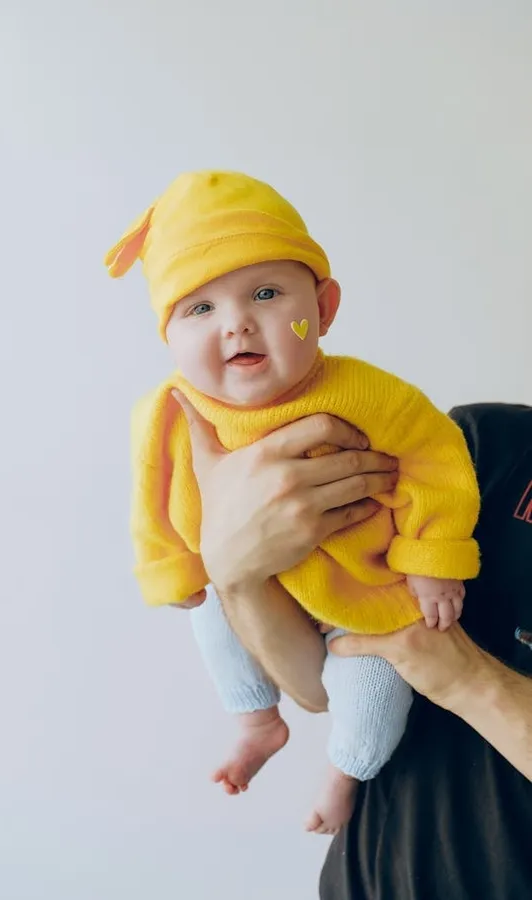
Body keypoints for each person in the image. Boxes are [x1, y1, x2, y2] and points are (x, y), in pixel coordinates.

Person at [105, 170, 481, 832]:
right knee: (208, 619)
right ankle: (257, 721)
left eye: (267, 293)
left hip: (363, 599)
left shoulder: (363, 393)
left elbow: (436, 456)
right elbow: (150, 494)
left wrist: (432, 554)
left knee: (379, 684)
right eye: (199, 308)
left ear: (326, 306)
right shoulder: (167, 412)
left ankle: (345, 773)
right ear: (166, 336)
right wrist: (171, 567)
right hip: (236, 581)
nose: (237, 324)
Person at [174, 395, 532, 898]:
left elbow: (418, 658)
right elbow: (320, 689)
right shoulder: (485, 441)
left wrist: (464, 678)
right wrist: (241, 575)